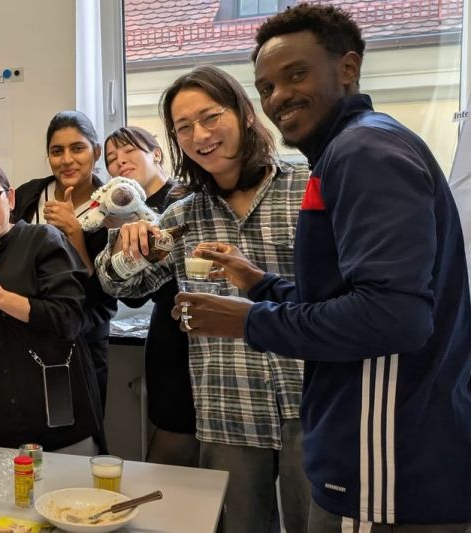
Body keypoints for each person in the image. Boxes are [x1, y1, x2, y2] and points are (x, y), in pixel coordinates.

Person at [177, 5, 471, 531]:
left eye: (296, 75)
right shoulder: (342, 152)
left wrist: (247, 319)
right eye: (267, 87)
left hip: (385, 461)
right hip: (350, 445)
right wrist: (260, 284)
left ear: (348, 68)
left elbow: (394, 317)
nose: (279, 97)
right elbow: (348, 294)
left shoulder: (363, 151)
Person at [95, 66, 310, 533]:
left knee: (317, 524)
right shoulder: (183, 215)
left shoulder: (307, 188)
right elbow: (119, 285)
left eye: (210, 117)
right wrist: (126, 247)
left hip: (310, 401)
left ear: (245, 114)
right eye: (184, 127)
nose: (200, 135)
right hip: (227, 404)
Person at [0, 158, 102, 454]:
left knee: (68, 483)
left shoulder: (44, 240)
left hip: (56, 419)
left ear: (11, 198)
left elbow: (68, 320)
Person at [103, 126, 198, 467]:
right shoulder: (121, 212)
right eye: (111, 159)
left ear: (156, 153)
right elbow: (131, 298)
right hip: (169, 336)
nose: (119, 162)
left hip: (209, 326)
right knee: (171, 437)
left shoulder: (189, 197)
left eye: (128, 150)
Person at [12, 111, 117, 413]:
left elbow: (104, 293)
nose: (67, 159)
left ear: (96, 152)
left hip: (80, 344)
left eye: (77, 148)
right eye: (57, 151)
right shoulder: (29, 195)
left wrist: (74, 233)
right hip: (24, 335)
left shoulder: (113, 209)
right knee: (26, 424)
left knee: (72, 426)